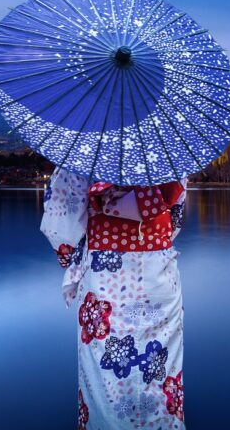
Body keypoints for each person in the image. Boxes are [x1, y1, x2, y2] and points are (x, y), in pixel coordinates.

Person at [41, 167, 188, 429]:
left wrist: (72, 255)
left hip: (106, 279)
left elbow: (60, 223)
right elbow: (175, 218)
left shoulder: (87, 152)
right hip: (159, 276)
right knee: (159, 374)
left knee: (105, 382)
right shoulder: (168, 153)